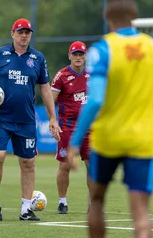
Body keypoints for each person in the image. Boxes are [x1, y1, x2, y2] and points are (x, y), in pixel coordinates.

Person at [67, 0, 153, 238]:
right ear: (135, 16)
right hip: (142, 140)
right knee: (140, 212)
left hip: (108, 138)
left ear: (107, 17)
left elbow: (95, 99)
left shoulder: (102, 49)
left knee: (96, 200)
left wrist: (74, 141)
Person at [0, 18, 61, 222]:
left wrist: (52, 118)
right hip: (0, 118)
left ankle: (26, 209)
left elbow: (45, 89)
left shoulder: (38, 58)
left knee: (28, 162)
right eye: (20, 32)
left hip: (26, 120)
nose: (24, 35)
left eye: (27, 32)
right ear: (12, 34)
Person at [51, 41, 91, 214]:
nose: (78, 57)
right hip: (67, 127)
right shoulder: (61, 75)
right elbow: (50, 100)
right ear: (69, 56)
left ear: (85, 56)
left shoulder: (93, 74)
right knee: (65, 165)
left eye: (81, 54)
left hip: (90, 127)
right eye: (75, 54)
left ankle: (94, 203)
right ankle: (62, 202)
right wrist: (52, 120)